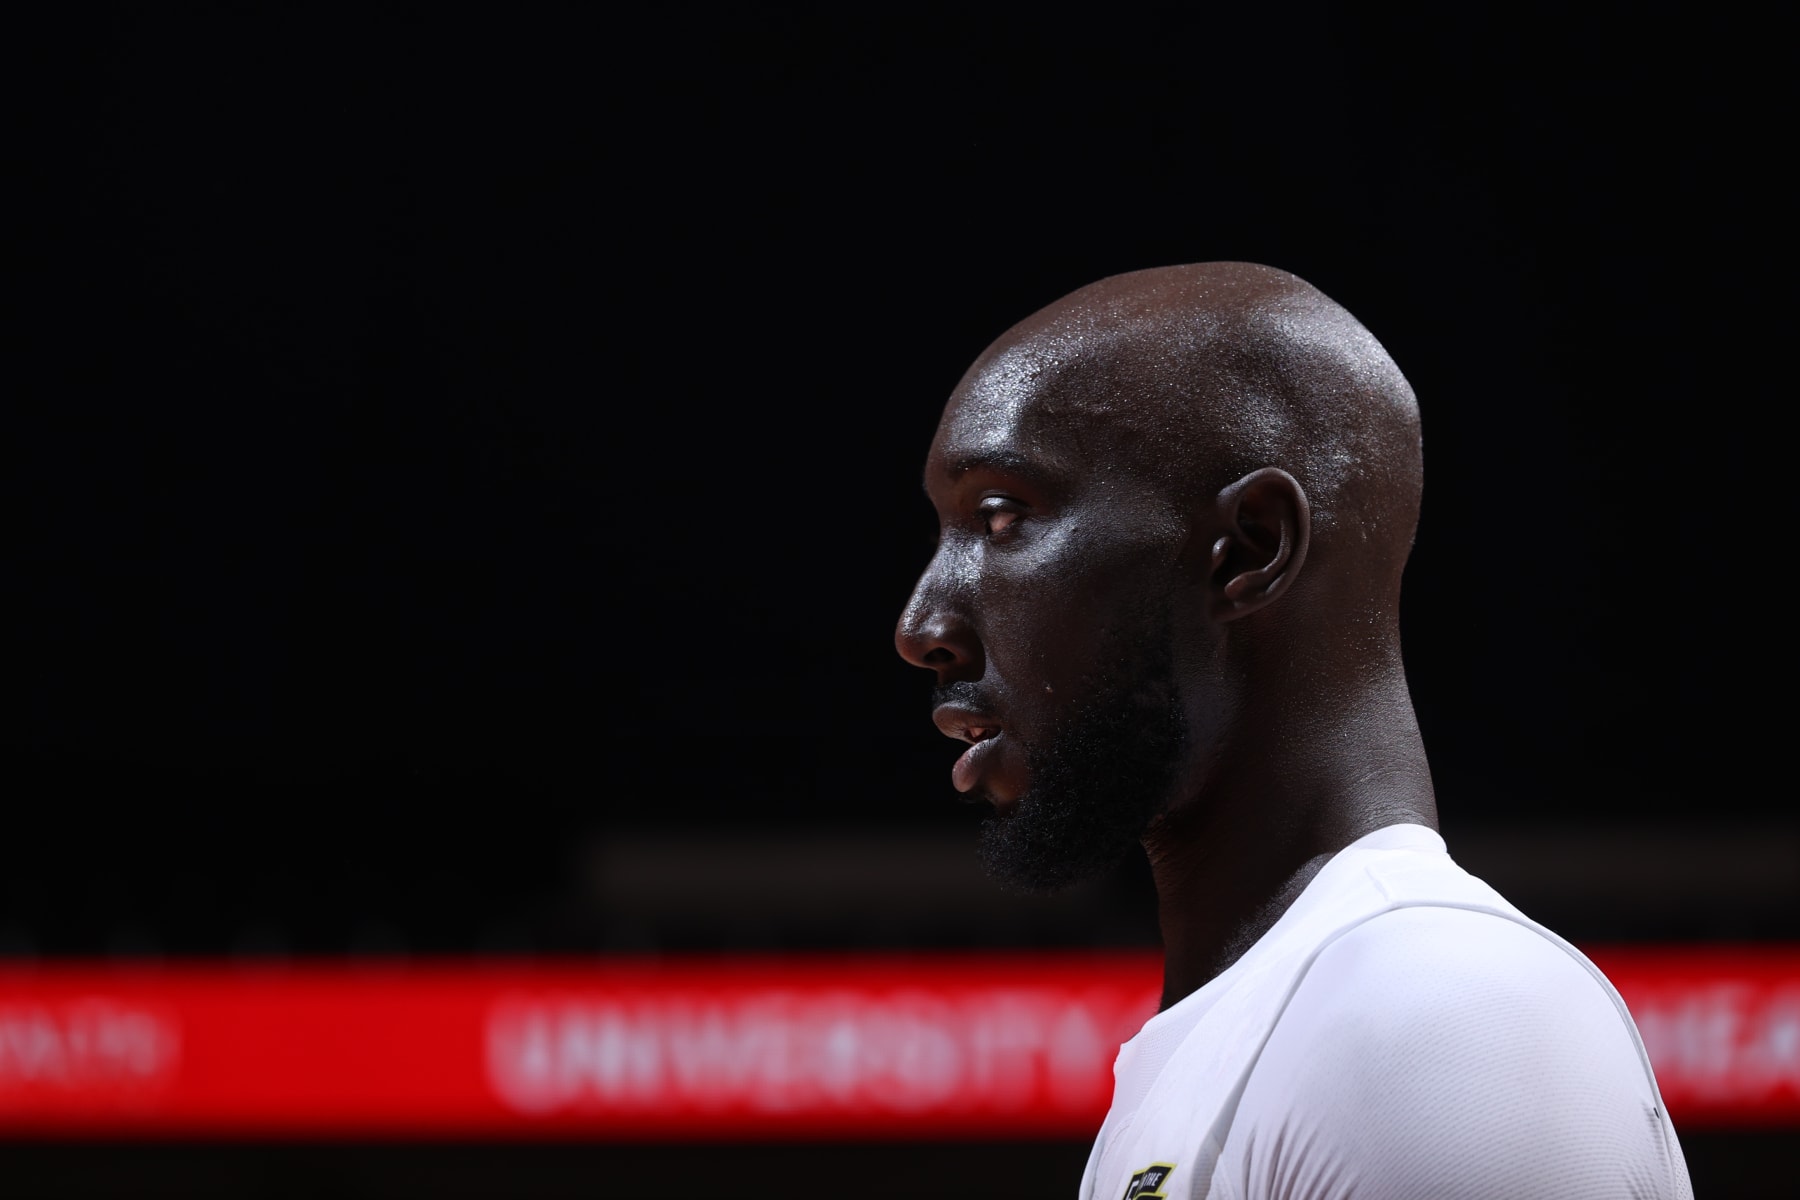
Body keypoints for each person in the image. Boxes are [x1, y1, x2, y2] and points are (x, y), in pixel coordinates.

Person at [894, 263, 1692, 1199]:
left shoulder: (1437, 1013)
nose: (920, 629)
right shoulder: (1279, 1022)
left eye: (1000, 517)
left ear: (1251, 548)